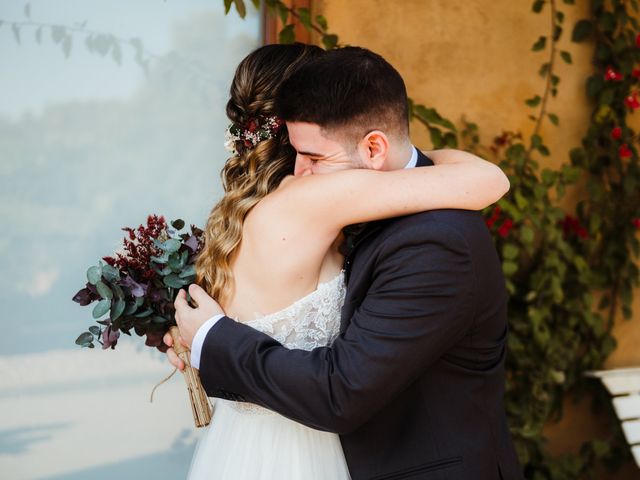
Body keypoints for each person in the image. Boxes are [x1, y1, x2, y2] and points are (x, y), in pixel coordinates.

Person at [166, 44, 520, 480]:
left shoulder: (434, 240)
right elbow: (483, 177)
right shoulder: (329, 202)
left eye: (314, 157)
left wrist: (209, 339)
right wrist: (204, 338)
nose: (302, 171)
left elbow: (341, 392)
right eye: (300, 153)